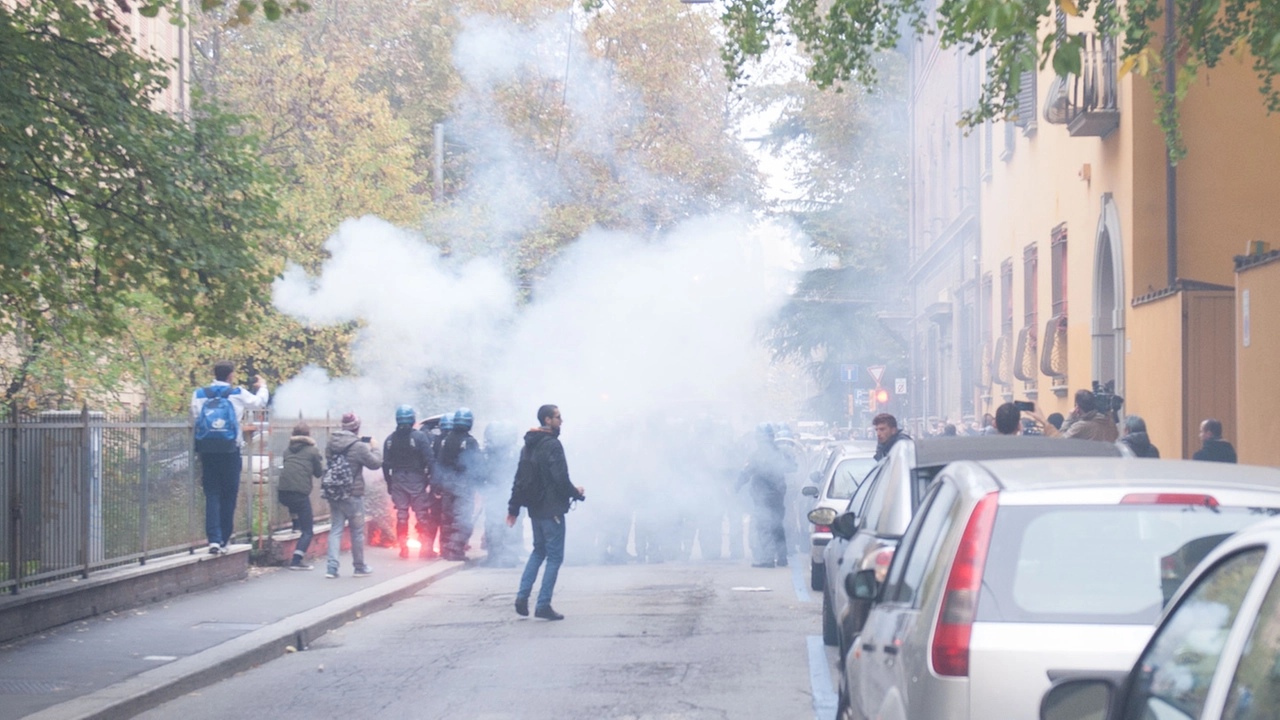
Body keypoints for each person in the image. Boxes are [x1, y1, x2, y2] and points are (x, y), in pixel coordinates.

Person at [507, 404, 585, 620]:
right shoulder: (552, 445)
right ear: (548, 420)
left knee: (538, 551)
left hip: (536, 509)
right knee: (554, 557)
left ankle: (522, 597)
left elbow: (519, 479)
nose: (562, 421)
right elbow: (560, 478)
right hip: (552, 510)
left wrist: (513, 508)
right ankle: (543, 604)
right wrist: (576, 493)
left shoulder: (528, 446)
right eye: (558, 417)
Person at [190, 360, 270, 555]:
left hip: (207, 450)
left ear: (214, 373)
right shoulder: (236, 393)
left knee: (211, 494)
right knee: (229, 495)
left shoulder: (199, 394)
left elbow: (195, 416)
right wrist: (263, 387)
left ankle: (213, 540)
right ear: (230, 376)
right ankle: (225, 539)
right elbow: (259, 403)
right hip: (230, 450)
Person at [325, 413, 383, 578]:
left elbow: (329, 459)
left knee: (335, 529)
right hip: (353, 494)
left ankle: (331, 568)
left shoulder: (331, 442)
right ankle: (359, 567)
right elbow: (375, 463)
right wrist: (375, 447)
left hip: (334, 492)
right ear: (357, 427)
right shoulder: (359, 446)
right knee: (356, 531)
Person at [737, 423, 793, 569]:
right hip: (778, 495)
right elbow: (793, 467)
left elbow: (745, 473)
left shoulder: (756, 455)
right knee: (777, 525)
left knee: (764, 526)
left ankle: (768, 559)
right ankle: (782, 557)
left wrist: (736, 486)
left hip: (763, 496)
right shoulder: (780, 453)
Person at [382, 405, 434, 559]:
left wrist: (389, 484)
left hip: (398, 479)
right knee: (422, 515)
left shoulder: (390, 439)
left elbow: (385, 464)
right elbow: (430, 460)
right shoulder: (419, 437)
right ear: (413, 420)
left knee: (402, 515)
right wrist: (430, 479)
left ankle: (403, 549)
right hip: (416, 479)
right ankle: (425, 549)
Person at [437, 408, 482, 561]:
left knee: (447, 518)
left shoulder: (446, 439)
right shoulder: (470, 442)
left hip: (448, 482)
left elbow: (440, 462)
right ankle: (455, 551)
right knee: (463, 519)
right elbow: (477, 465)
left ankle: (445, 550)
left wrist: (438, 483)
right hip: (464, 483)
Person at [278, 422, 323, 570]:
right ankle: (296, 560)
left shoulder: (287, 451)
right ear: (308, 435)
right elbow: (318, 473)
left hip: (282, 492)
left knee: (293, 503)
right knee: (308, 531)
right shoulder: (312, 451)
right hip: (299, 493)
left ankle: (295, 525)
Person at [480, 421, 522, 567]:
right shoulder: (516, 451)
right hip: (510, 491)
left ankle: (494, 557)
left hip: (494, 491)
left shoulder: (486, 452)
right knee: (512, 525)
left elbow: (480, 473)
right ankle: (510, 557)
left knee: (493, 524)